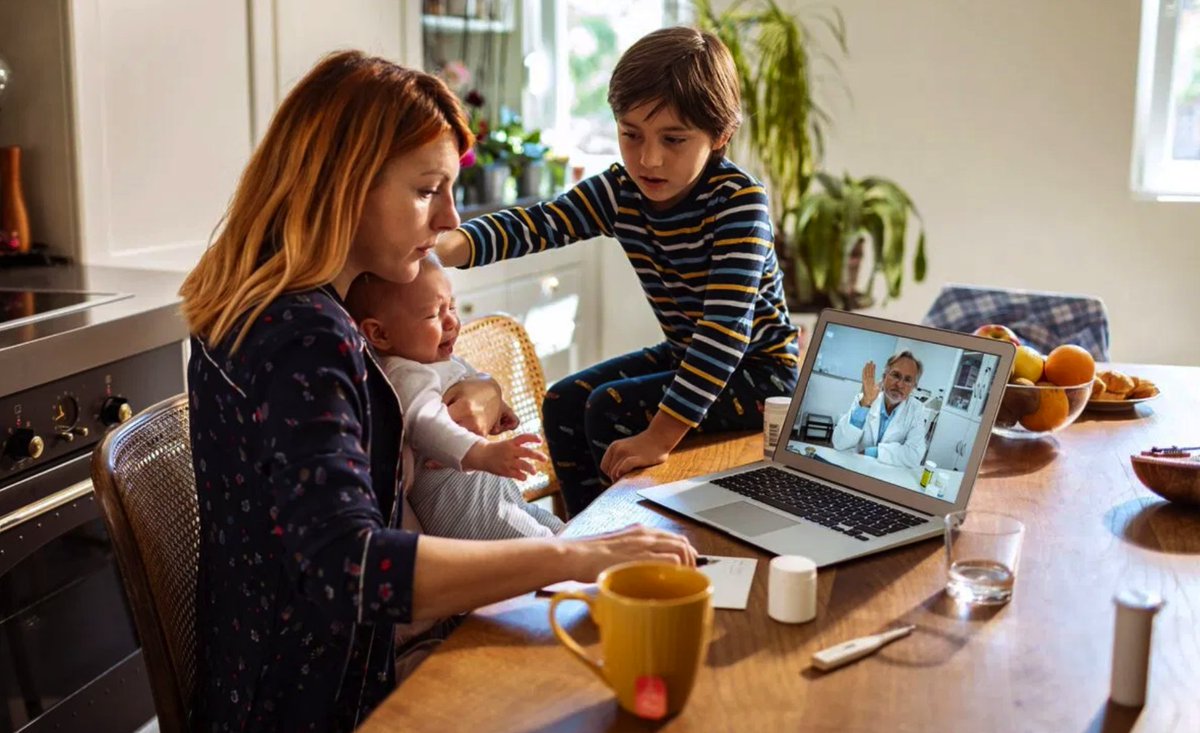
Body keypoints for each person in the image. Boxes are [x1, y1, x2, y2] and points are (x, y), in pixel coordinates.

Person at [178, 51, 695, 732]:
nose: (449, 220)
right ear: (346, 183)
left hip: (271, 680)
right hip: (328, 703)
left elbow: (416, 397)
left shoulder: (270, 305)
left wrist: (473, 390)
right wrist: (577, 554)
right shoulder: (304, 335)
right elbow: (351, 567)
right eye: (428, 190)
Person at [436, 27, 800, 517]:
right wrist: (442, 246)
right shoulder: (620, 190)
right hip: (687, 354)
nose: (649, 159)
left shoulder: (738, 204)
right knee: (565, 401)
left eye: (673, 139)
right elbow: (539, 223)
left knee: (609, 406)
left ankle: (624, 533)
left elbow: (723, 335)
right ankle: (588, 534)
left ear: (720, 136)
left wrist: (660, 436)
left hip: (762, 375)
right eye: (631, 134)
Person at [344, 258, 564, 540]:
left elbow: (465, 378)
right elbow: (428, 422)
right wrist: (482, 453)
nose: (452, 321)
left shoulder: (435, 359)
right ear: (380, 333)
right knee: (550, 551)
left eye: (452, 307)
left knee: (564, 533)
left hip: (495, 498)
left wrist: (499, 409)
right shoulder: (403, 373)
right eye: (433, 315)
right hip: (462, 510)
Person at [831, 352, 928, 467]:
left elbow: (914, 455)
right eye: (896, 375)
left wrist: (873, 452)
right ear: (884, 376)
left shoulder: (916, 410)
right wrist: (865, 403)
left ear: (914, 386)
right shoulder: (865, 399)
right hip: (856, 467)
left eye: (907, 380)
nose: (900, 384)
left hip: (888, 475)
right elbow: (839, 443)